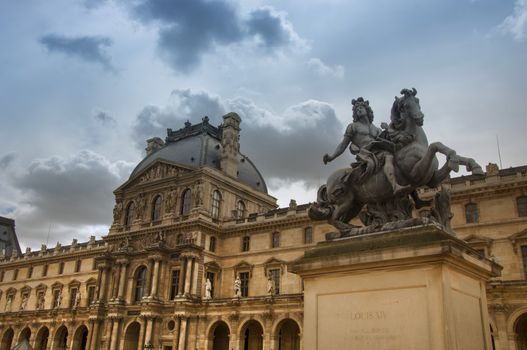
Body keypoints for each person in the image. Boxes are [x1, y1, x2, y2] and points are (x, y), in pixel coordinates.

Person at [323, 97, 409, 194]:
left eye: (361, 108)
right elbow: (343, 145)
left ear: (367, 110)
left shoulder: (376, 129)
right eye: (357, 109)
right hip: (366, 153)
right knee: (388, 156)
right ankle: (395, 186)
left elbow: (386, 141)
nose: (359, 110)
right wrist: (331, 157)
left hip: (378, 151)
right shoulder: (353, 126)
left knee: (400, 159)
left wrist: (388, 129)